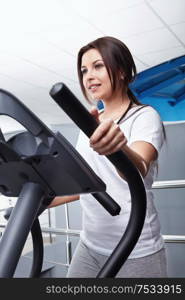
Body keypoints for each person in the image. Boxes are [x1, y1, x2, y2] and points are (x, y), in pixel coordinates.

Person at [49, 36, 168, 278]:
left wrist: (119, 147)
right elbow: (90, 182)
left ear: (122, 71)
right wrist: (46, 200)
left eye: (98, 66)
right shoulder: (91, 122)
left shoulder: (145, 116)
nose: (88, 76)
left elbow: (139, 168)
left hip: (136, 248)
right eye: (83, 70)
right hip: (90, 245)